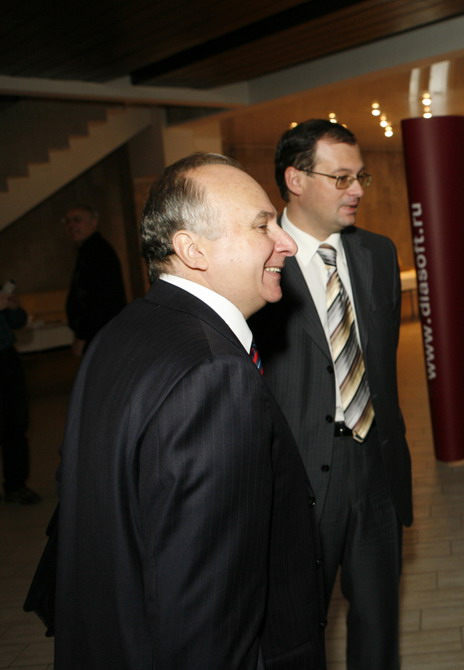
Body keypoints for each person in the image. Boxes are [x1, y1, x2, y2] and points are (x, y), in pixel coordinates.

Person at [54, 153, 326, 669]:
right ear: (192, 249)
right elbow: (207, 612)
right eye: (262, 225)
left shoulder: (122, 331)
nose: (286, 242)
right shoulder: (214, 373)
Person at [250, 119, 412, 669]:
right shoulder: (259, 261)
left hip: (376, 467)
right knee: (298, 630)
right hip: (298, 478)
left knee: (378, 628)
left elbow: (382, 366)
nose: (357, 189)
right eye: (341, 178)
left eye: (359, 176)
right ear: (295, 180)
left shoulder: (377, 254)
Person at [63, 205, 127, 356]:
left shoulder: (98, 252)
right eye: (67, 221)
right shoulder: (89, 250)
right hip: (99, 331)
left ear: (94, 222)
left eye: (77, 220)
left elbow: (98, 299)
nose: (71, 225)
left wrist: (82, 336)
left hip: (100, 332)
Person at [0, 282, 40, 504]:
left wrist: (13, 307)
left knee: (16, 425)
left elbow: (17, 322)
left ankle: (16, 485)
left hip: (7, 359)